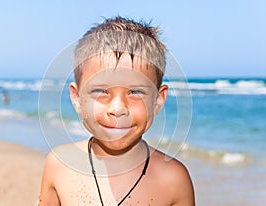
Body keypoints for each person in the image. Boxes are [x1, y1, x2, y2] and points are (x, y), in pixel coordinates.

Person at [39, 17, 195, 205]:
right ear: (77, 99)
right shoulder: (59, 164)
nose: (118, 109)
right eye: (101, 91)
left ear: (158, 100)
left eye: (135, 92)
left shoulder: (173, 180)